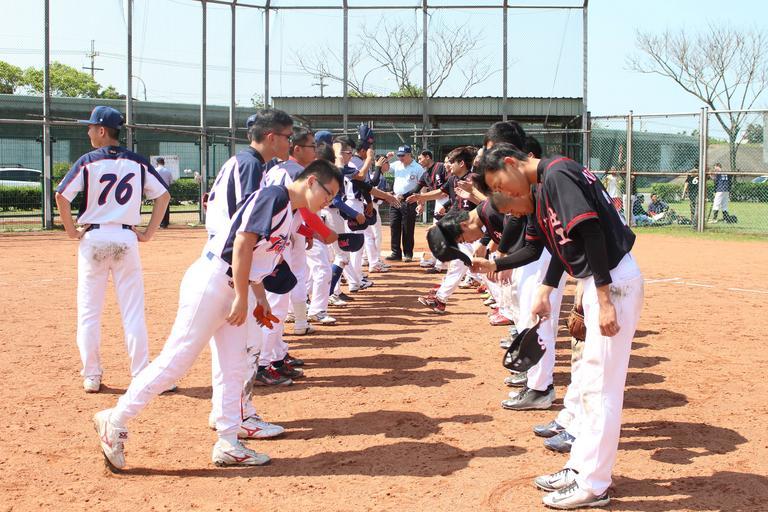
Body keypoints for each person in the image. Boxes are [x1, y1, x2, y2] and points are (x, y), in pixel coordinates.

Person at [93, 160, 343, 471]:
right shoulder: (275, 197)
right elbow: (242, 243)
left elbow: (256, 255)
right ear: (312, 181)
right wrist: (242, 296)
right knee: (175, 362)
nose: (328, 201)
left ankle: (228, 441)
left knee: (233, 366)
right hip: (212, 284)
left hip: (231, 287)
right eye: (328, 194)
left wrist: (258, 298)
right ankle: (115, 419)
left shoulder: (289, 210)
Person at [476, 143, 644, 510]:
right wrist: (542, 286)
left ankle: (594, 484)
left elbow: (592, 231)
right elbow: (557, 246)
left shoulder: (557, 173)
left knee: (601, 390)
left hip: (612, 282)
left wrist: (603, 299)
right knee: (588, 385)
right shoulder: (546, 182)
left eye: (499, 184)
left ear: (510, 162)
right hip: (601, 280)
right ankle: (581, 467)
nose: (503, 193)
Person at [55, 106, 170, 393]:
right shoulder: (137, 162)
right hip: (125, 238)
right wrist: (148, 233)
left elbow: (61, 196)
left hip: (93, 237)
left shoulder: (88, 161)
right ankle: (141, 373)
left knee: (89, 311)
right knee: (132, 311)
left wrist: (71, 231)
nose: (88, 131)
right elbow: (163, 196)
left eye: (91, 127)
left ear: (102, 130)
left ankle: (92, 375)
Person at [385, 144, 423, 262]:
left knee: (408, 227)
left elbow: (423, 187)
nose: (400, 158)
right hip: (395, 200)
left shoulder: (418, 168)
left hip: (409, 201)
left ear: (409, 154)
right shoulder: (396, 165)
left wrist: (421, 203)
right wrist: (387, 159)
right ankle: (395, 252)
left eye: (403, 155)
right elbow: (385, 171)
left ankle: (408, 253)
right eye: (399, 155)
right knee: (394, 226)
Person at [415, 149, 449, 273]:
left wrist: (422, 198)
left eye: (420, 158)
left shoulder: (441, 167)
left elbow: (446, 188)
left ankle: (441, 264)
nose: (419, 161)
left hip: (448, 201)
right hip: (438, 201)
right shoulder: (426, 174)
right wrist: (402, 197)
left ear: (428, 157)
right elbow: (417, 188)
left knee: (442, 232)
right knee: (435, 232)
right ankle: (436, 259)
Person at [155, 157, 174, 228]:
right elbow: (171, 182)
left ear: (157, 163)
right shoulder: (168, 171)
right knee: (166, 207)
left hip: (157, 190)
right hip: (166, 190)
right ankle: (166, 223)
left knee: (158, 207)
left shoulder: (155, 170)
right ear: (164, 163)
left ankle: (159, 223)